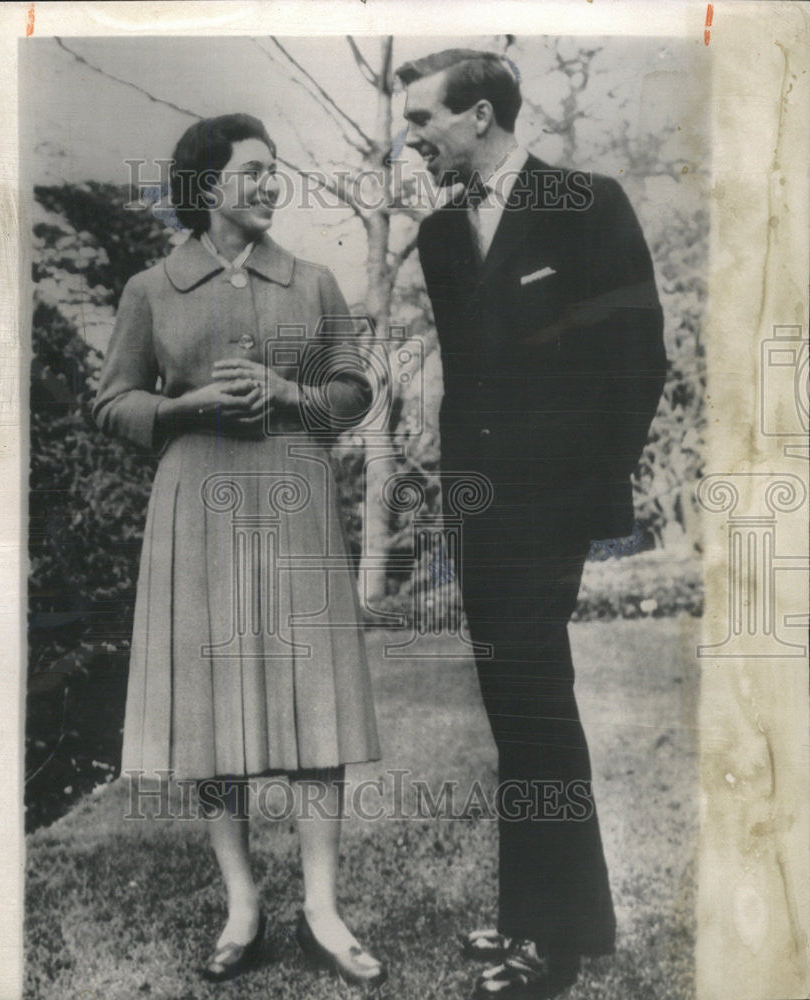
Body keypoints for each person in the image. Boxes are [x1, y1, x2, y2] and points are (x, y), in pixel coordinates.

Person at [395, 50, 667, 999]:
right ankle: (546, 921)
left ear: (478, 116)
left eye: (423, 120)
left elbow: (637, 359)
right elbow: (471, 385)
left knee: (536, 706)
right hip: (480, 510)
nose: (413, 139)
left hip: (547, 511)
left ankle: (548, 947)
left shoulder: (589, 204)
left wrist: (580, 492)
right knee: (521, 714)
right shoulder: (437, 233)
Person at [93, 114, 386, 989]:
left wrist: (288, 390)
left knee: (315, 697)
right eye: (252, 172)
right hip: (196, 507)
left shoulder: (314, 281)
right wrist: (187, 410)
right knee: (211, 705)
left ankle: (323, 911)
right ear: (206, 184)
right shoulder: (153, 288)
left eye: (274, 173)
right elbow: (113, 403)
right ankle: (243, 905)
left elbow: (353, 391)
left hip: (294, 499)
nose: (268, 186)